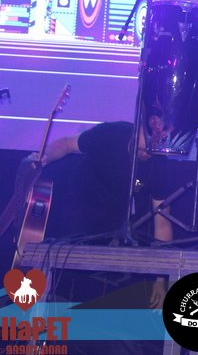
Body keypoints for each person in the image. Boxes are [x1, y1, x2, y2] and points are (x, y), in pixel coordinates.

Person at [36, 121, 174, 309]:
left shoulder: (159, 165)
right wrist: (40, 161)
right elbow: (67, 144)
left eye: (155, 146)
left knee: (102, 281)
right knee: (62, 268)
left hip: (114, 218)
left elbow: (163, 223)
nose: (147, 152)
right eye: (145, 144)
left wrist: (161, 280)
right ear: (138, 129)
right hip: (79, 204)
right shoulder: (110, 134)